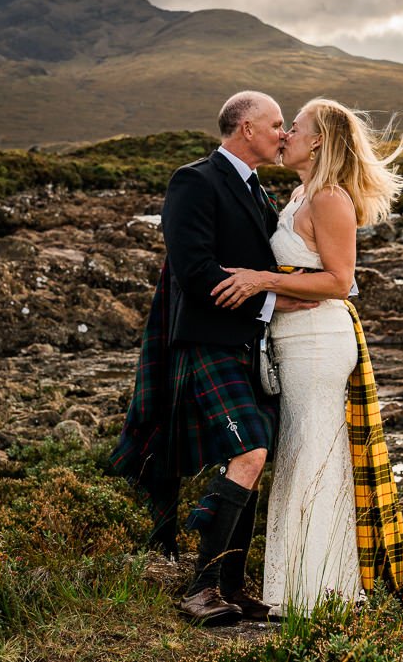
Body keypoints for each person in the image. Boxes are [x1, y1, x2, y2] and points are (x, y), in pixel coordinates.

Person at [111, 91, 317, 626]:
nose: (283, 134)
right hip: (205, 342)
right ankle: (200, 589)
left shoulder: (256, 190)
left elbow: (250, 268)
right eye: (275, 124)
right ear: (246, 128)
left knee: (253, 457)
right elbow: (194, 270)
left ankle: (230, 586)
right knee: (249, 451)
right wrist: (274, 298)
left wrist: (269, 293)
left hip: (246, 343)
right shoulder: (195, 180)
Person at [212, 97, 403, 617]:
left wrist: (263, 280)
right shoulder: (302, 193)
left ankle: (320, 592)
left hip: (319, 343)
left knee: (313, 456)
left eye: (293, 127)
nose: (284, 136)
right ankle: (300, 587)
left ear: (319, 139)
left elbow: (340, 281)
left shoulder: (329, 198)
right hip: (292, 338)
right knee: (304, 454)